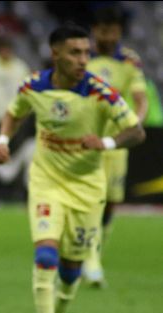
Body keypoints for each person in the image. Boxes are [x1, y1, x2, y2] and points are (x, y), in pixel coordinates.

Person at [0, 23, 145, 313]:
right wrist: (2, 141)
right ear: (56, 53)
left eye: (86, 52)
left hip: (87, 188)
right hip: (46, 182)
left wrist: (106, 142)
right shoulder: (34, 86)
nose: (83, 59)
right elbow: (14, 113)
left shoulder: (100, 92)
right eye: (75, 52)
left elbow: (136, 131)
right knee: (46, 255)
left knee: (71, 268)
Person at [83, 6, 148, 287]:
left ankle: (94, 253)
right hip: (86, 141)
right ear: (94, 30)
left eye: (113, 31)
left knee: (111, 201)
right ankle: (90, 261)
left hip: (116, 143)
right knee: (91, 200)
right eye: (103, 30)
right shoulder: (82, 57)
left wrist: (136, 123)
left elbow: (140, 99)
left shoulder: (129, 61)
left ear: (119, 32)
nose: (108, 36)